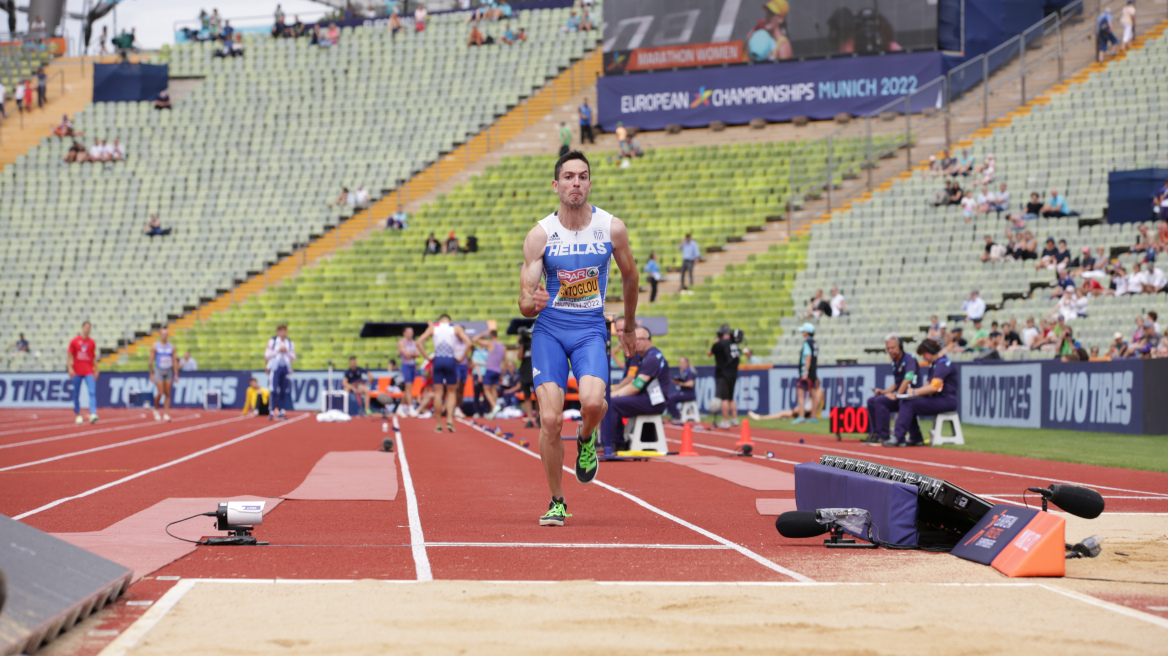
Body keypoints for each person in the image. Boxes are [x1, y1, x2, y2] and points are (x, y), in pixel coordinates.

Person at [518, 150, 639, 527]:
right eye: (568, 177)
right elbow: (524, 300)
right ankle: (557, 499)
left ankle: (587, 438)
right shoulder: (540, 235)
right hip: (550, 330)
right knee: (551, 419)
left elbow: (631, 277)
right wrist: (531, 302)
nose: (575, 183)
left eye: (582, 176)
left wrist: (629, 326)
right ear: (556, 186)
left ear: (589, 183)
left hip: (589, 329)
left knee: (592, 404)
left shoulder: (610, 228)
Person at [883, 339, 956, 447]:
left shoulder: (943, 364)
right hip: (938, 399)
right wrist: (913, 394)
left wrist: (915, 391)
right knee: (909, 401)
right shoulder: (934, 365)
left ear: (930, 351)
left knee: (909, 403)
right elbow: (927, 386)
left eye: (924, 354)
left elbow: (933, 387)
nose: (923, 358)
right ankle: (915, 437)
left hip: (946, 400)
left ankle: (899, 437)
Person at [609, 326, 671, 450]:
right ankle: (618, 442)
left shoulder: (652, 358)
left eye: (641, 339)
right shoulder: (645, 357)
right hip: (647, 398)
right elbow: (633, 382)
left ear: (650, 340)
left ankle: (611, 445)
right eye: (635, 338)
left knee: (612, 403)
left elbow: (635, 387)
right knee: (613, 401)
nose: (637, 341)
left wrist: (613, 395)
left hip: (654, 401)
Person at [416, 314, 473, 432]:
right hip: (450, 359)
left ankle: (438, 424)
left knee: (438, 392)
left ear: (439, 320)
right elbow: (469, 343)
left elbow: (419, 342)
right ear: (449, 320)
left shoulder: (433, 327)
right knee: (451, 392)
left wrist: (427, 357)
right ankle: (450, 421)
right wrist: (461, 358)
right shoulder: (455, 327)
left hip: (438, 359)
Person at [865, 335, 919, 445]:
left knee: (880, 401)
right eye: (888, 348)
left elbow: (907, 379)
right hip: (900, 395)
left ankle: (884, 436)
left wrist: (896, 395)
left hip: (909, 396)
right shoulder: (895, 361)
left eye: (893, 348)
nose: (890, 351)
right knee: (872, 400)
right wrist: (884, 391)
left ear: (900, 346)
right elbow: (897, 382)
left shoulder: (909, 359)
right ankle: (877, 433)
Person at [709, 325, 740, 428]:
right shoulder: (734, 343)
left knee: (724, 398)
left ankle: (726, 420)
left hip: (723, 373)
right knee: (731, 397)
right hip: (734, 374)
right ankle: (735, 419)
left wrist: (715, 343)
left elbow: (709, 353)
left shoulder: (719, 344)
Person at [791, 322, 823, 424]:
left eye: (803, 331)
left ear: (807, 332)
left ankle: (801, 416)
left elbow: (808, 358)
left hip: (806, 373)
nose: (802, 333)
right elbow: (815, 359)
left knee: (801, 394)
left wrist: (805, 373)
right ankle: (813, 416)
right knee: (813, 394)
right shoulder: (815, 343)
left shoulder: (806, 343)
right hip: (813, 373)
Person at [68, 321, 99, 424]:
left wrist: (97, 369)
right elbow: (69, 355)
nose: (87, 329)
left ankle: (93, 414)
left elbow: (93, 356)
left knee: (92, 392)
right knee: (76, 394)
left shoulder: (92, 342)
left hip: (89, 371)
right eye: (86, 327)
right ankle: (78, 415)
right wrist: (69, 367)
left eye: (89, 328)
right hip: (77, 371)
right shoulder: (74, 341)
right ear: (82, 328)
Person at [264, 324, 296, 420]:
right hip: (275, 368)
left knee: (283, 391)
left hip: (285, 368)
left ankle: (281, 411)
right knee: (273, 390)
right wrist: (278, 350)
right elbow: (267, 354)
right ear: (278, 332)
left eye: (284, 331)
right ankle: (272, 411)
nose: (283, 333)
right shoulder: (273, 341)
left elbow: (293, 357)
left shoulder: (289, 343)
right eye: (281, 331)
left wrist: (286, 351)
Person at [473, 330, 507, 419]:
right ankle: (492, 411)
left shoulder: (490, 344)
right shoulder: (503, 346)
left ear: (491, 335)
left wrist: (484, 333)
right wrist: (503, 374)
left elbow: (474, 339)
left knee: (486, 389)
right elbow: (505, 362)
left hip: (490, 369)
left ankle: (494, 406)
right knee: (494, 390)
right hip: (498, 371)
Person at [149, 328, 179, 421]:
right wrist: (151, 373)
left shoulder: (171, 346)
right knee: (160, 392)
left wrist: (176, 374)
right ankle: (156, 409)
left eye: (166, 334)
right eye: (163, 334)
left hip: (168, 371)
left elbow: (174, 360)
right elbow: (150, 361)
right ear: (160, 335)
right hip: (159, 371)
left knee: (167, 393)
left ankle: (166, 413)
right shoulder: (155, 346)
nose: (165, 336)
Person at [398, 327, 420, 415]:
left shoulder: (414, 342)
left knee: (408, 389)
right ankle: (411, 408)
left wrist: (412, 355)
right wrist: (413, 354)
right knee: (408, 387)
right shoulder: (401, 342)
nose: (411, 334)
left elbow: (418, 354)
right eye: (409, 332)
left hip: (412, 366)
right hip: (406, 366)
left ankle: (400, 408)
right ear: (404, 333)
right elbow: (406, 355)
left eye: (412, 332)